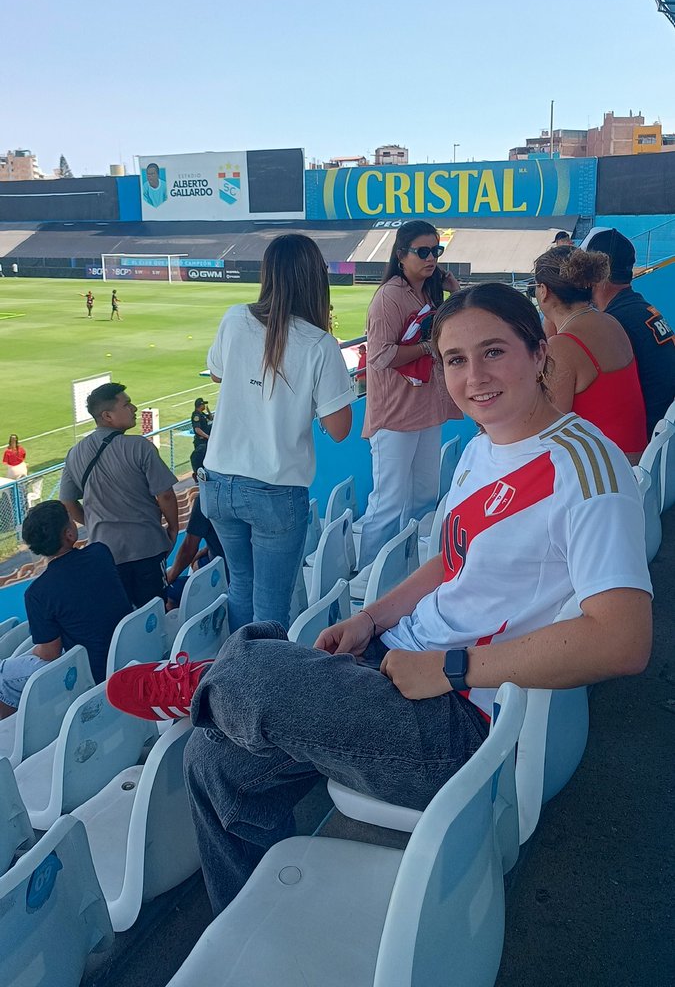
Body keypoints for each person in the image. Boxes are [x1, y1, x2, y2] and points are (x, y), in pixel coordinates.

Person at [107, 283, 653, 917]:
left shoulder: (587, 469)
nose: (474, 376)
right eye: (454, 359)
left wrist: (452, 668)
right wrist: (371, 618)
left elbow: (623, 640)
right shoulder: (484, 445)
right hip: (401, 666)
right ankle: (257, 921)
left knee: (248, 683)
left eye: (494, 351)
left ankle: (223, 676)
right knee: (214, 755)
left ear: (538, 353)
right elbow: (452, 562)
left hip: (463, 724)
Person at [196, 233, 353, 632]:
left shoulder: (234, 318)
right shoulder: (320, 344)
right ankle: (258, 690)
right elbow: (340, 429)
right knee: (270, 610)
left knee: (241, 589)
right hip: (274, 492)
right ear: (317, 280)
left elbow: (217, 372)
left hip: (217, 485)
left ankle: (235, 681)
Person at [356, 220, 462, 570]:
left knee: (423, 498)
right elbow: (381, 355)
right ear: (401, 255)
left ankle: (408, 570)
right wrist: (425, 347)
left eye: (437, 250)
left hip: (427, 410)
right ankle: (369, 577)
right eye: (423, 251)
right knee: (388, 503)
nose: (431, 257)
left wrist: (452, 288)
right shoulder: (389, 297)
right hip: (396, 415)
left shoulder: (429, 292)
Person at [0, 501, 131, 718]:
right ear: (69, 534)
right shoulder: (100, 553)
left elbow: (48, 654)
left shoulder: (38, 593)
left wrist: (29, 655)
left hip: (91, 672)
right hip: (125, 653)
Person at [59, 381, 178, 607]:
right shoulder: (140, 447)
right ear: (107, 415)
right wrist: (173, 528)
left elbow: (67, 500)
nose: (133, 408)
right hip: (147, 547)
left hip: (105, 552)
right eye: (127, 404)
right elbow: (166, 496)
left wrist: (93, 521)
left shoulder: (74, 453)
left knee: (122, 615)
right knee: (154, 612)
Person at [534, 246, 647, 462]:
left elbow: (544, 429)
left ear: (543, 291)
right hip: (631, 463)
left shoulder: (564, 347)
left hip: (604, 472)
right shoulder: (611, 322)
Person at [581, 228, 675, 438]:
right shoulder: (639, 309)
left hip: (646, 445)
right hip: (662, 440)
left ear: (595, 273)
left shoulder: (615, 322)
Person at [166, 448, 227, 610]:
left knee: (170, 592)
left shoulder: (205, 500)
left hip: (227, 575)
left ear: (196, 477)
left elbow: (188, 548)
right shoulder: (238, 490)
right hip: (245, 565)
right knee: (199, 562)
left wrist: (170, 577)